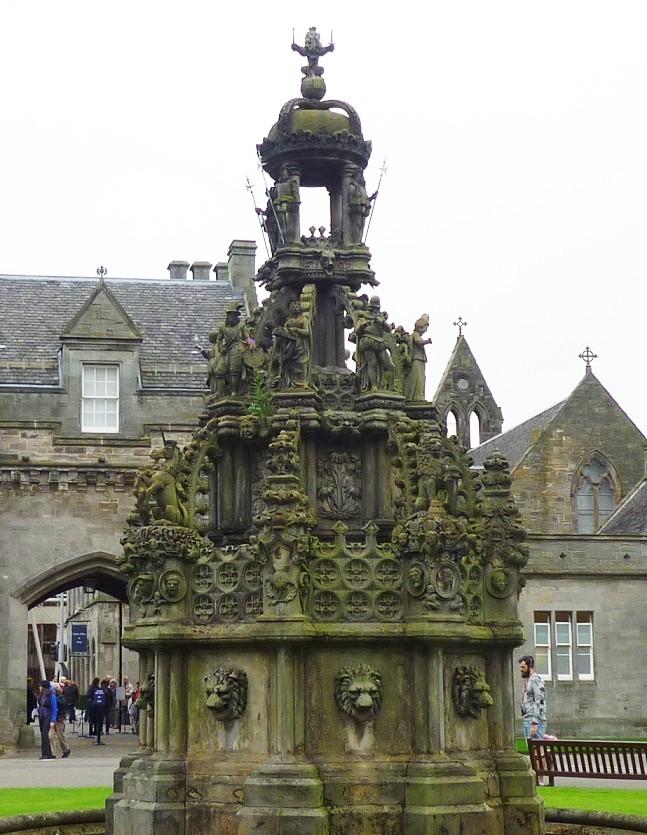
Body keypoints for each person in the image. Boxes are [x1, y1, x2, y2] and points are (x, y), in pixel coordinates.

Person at [519, 654, 547, 739]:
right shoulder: (528, 681)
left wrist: (534, 723)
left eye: (523, 667)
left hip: (534, 720)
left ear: (530, 666)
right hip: (527, 718)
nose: (521, 669)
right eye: (520, 667)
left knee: (536, 746)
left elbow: (540, 700)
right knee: (530, 745)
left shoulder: (536, 679)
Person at [36, 680, 57, 760]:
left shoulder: (52, 695)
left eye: (41, 686)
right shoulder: (41, 694)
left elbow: (54, 708)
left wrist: (53, 720)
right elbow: (39, 704)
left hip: (48, 715)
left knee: (45, 734)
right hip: (42, 716)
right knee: (43, 735)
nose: (39, 687)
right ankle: (47, 753)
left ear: (44, 687)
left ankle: (46, 753)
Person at [50, 682, 71, 758]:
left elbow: (61, 704)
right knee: (53, 736)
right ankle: (53, 753)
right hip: (55, 718)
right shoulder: (55, 697)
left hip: (59, 719)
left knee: (60, 736)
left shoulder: (61, 697)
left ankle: (66, 749)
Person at [87, 677, 107, 745]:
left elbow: (89, 696)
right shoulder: (97, 689)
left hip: (93, 706)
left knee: (92, 719)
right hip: (97, 707)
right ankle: (96, 731)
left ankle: (92, 731)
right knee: (96, 720)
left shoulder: (91, 688)